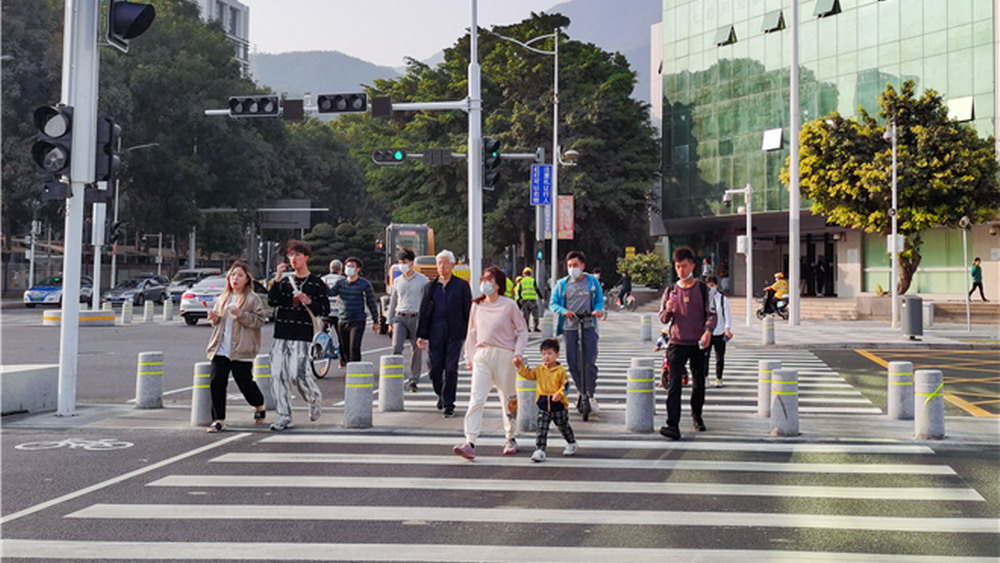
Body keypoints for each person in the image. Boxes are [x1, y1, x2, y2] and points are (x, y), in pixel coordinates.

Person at [453, 266, 528, 460]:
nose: (484, 283)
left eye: (489, 280)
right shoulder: (477, 305)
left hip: (505, 355)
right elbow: (471, 333)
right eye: (483, 279)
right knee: (476, 398)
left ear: (497, 285)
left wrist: (518, 353)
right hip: (482, 355)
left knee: (508, 399)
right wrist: (468, 357)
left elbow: (522, 331)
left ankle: (510, 437)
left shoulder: (509, 305)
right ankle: (470, 441)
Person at [267, 240, 330, 431]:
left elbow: (324, 309)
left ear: (306, 258)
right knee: (277, 375)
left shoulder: (317, 283)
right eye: (291, 255)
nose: (293, 259)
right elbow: (273, 301)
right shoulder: (284, 281)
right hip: (282, 332)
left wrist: (309, 301)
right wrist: (277, 279)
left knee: (298, 374)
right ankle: (284, 416)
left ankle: (314, 397)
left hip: (303, 333)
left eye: (298, 255)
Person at [658, 246, 716, 440]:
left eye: (684, 266)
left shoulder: (703, 289)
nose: (680, 270)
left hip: (698, 342)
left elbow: (712, 314)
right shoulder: (671, 290)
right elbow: (663, 319)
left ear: (692, 266)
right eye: (677, 267)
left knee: (699, 382)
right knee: (674, 383)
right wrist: (668, 310)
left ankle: (697, 414)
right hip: (676, 342)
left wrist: (708, 331)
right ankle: (672, 424)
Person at [205, 260, 267, 432]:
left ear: (247, 279)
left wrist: (242, 315)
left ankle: (259, 404)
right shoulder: (223, 297)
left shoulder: (252, 299)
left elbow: (260, 320)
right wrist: (214, 319)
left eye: (240, 275)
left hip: (242, 348)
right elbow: (218, 323)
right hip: (221, 348)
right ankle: (218, 420)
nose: (235, 278)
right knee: (217, 382)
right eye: (233, 275)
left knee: (245, 383)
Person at [417, 250, 472, 418]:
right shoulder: (430, 286)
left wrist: (471, 333)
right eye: (439, 263)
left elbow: (469, 311)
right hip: (435, 332)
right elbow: (424, 311)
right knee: (435, 369)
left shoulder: (461, 286)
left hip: (455, 332)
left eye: (445, 263)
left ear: (453, 265)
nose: (442, 266)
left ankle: (449, 404)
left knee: (451, 369)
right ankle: (440, 393)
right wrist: (421, 335)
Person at [549, 251, 605, 414]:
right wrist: (564, 311)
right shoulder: (562, 284)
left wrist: (597, 310)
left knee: (589, 361)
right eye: (570, 265)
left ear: (582, 266)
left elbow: (599, 300)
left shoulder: (592, 282)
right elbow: (553, 303)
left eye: (575, 265)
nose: (572, 268)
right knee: (572, 362)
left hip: (588, 325)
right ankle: (581, 392)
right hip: (570, 327)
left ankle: (590, 394)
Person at [514, 338, 578, 462]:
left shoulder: (560, 371)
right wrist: (520, 367)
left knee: (563, 426)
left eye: (549, 353)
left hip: (558, 405)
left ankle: (571, 443)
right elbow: (529, 375)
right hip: (543, 405)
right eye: (543, 354)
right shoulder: (540, 369)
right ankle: (540, 450)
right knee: (542, 428)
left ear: (557, 355)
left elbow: (565, 385)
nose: (546, 357)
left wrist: (560, 394)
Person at [387, 248, 429, 392]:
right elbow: (393, 301)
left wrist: (426, 321)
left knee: (416, 349)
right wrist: (390, 321)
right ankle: (395, 377)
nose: (402, 265)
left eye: (404, 262)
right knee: (396, 347)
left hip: (416, 317)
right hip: (400, 317)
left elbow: (427, 301)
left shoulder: (423, 280)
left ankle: (413, 380)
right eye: (400, 262)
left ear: (412, 263)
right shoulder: (397, 281)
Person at [328, 256, 379, 364]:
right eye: (347, 266)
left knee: (354, 348)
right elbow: (331, 293)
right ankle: (348, 367)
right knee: (344, 349)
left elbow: (371, 302)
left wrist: (376, 321)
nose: (349, 268)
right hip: (342, 320)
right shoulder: (340, 283)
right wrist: (322, 287)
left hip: (357, 320)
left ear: (358, 269)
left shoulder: (364, 284)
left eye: (352, 266)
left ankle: (356, 370)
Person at [704, 276, 732, 388]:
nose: (711, 288)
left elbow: (727, 316)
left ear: (717, 286)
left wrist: (727, 329)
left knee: (719, 357)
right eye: (708, 286)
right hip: (707, 333)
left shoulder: (723, 299)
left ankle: (719, 378)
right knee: (704, 357)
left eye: (712, 286)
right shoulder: (704, 299)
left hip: (720, 332)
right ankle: (705, 377)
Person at [321, 259, 346, 366]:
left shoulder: (323, 279)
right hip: (339, 312)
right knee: (342, 336)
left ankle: (320, 349)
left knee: (323, 332)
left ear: (330, 269)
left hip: (325, 312)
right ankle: (343, 360)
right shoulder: (343, 280)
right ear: (341, 270)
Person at [515, 267, 541, 332]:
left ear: (524, 274)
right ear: (530, 273)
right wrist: (541, 297)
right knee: (535, 314)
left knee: (526, 315)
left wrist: (520, 298)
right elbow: (537, 289)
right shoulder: (533, 280)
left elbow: (519, 291)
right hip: (532, 300)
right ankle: (535, 327)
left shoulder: (522, 281)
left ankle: (527, 328)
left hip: (525, 300)